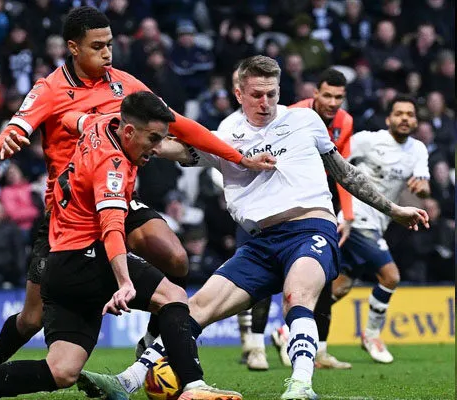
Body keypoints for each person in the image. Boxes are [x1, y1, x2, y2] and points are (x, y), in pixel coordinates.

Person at [78, 55, 428, 400]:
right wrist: (127, 130)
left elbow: (344, 173)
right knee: (193, 308)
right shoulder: (224, 136)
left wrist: (394, 208)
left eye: (272, 93)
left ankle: (301, 385)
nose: (266, 102)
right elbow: (171, 147)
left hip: (310, 229)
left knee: (297, 296)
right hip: (260, 244)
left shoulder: (305, 120)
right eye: (257, 95)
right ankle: (127, 381)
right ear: (238, 94)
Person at [0, 6, 276, 377]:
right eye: (97, 46)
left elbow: (180, 126)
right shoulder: (49, 89)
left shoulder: (125, 85)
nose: (107, 53)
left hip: (116, 195)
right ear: (73, 47)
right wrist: (9, 136)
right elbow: (17, 125)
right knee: (30, 319)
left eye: (110, 44)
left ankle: (151, 342)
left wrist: (240, 158)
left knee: (176, 258)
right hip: (69, 214)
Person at [0, 91, 242, 400]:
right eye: (153, 139)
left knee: (61, 370)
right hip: (89, 259)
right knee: (173, 295)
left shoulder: (99, 125)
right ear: (128, 131)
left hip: (61, 267)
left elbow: (73, 118)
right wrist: (125, 280)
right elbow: (113, 227)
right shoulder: (112, 167)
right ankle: (193, 385)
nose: (157, 148)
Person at [244, 68, 356, 371]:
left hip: (317, 204)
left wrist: (346, 214)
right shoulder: (292, 115)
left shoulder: (345, 123)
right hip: (276, 201)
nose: (333, 102)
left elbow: (341, 170)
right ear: (314, 93)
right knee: (265, 276)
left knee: (324, 275)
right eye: (328, 95)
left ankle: (318, 349)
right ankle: (255, 346)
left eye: (339, 97)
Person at [322, 96, 429, 364]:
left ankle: (288, 333)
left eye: (410, 114)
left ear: (415, 121)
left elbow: (424, 183)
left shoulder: (418, 150)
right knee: (390, 276)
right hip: (355, 219)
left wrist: (422, 188)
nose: (405, 118)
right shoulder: (368, 140)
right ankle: (371, 335)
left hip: (379, 224)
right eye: (399, 113)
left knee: (340, 288)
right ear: (389, 118)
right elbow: (336, 158)